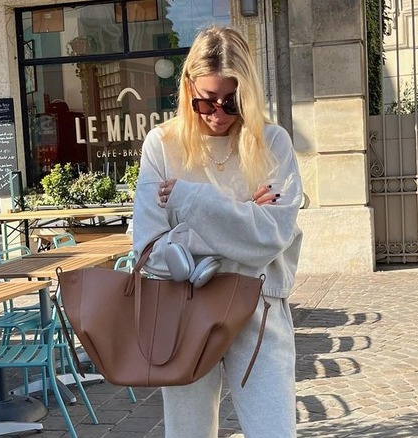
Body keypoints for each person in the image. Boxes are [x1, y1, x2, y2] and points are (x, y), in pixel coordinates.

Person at [131, 25, 303, 437]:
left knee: (274, 432)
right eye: (206, 101)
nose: (218, 114)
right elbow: (150, 251)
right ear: (188, 87)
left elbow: (269, 238)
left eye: (232, 102)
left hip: (260, 310)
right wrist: (242, 215)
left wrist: (190, 204)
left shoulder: (273, 143)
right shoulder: (162, 145)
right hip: (183, 309)